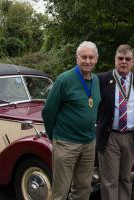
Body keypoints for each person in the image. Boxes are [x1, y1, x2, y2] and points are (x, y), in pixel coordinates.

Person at [42, 41, 101, 200]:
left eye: (91, 57)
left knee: (83, 188)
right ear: (77, 58)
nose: (87, 61)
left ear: (96, 59)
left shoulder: (95, 80)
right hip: (66, 143)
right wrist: (54, 136)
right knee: (61, 190)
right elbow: (48, 111)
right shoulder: (64, 80)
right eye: (84, 57)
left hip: (88, 143)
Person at [96, 44, 134, 200]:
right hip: (110, 135)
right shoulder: (102, 79)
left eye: (127, 59)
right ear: (115, 60)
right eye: (120, 58)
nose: (123, 62)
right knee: (109, 180)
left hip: (130, 137)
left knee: (125, 178)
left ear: (133, 61)